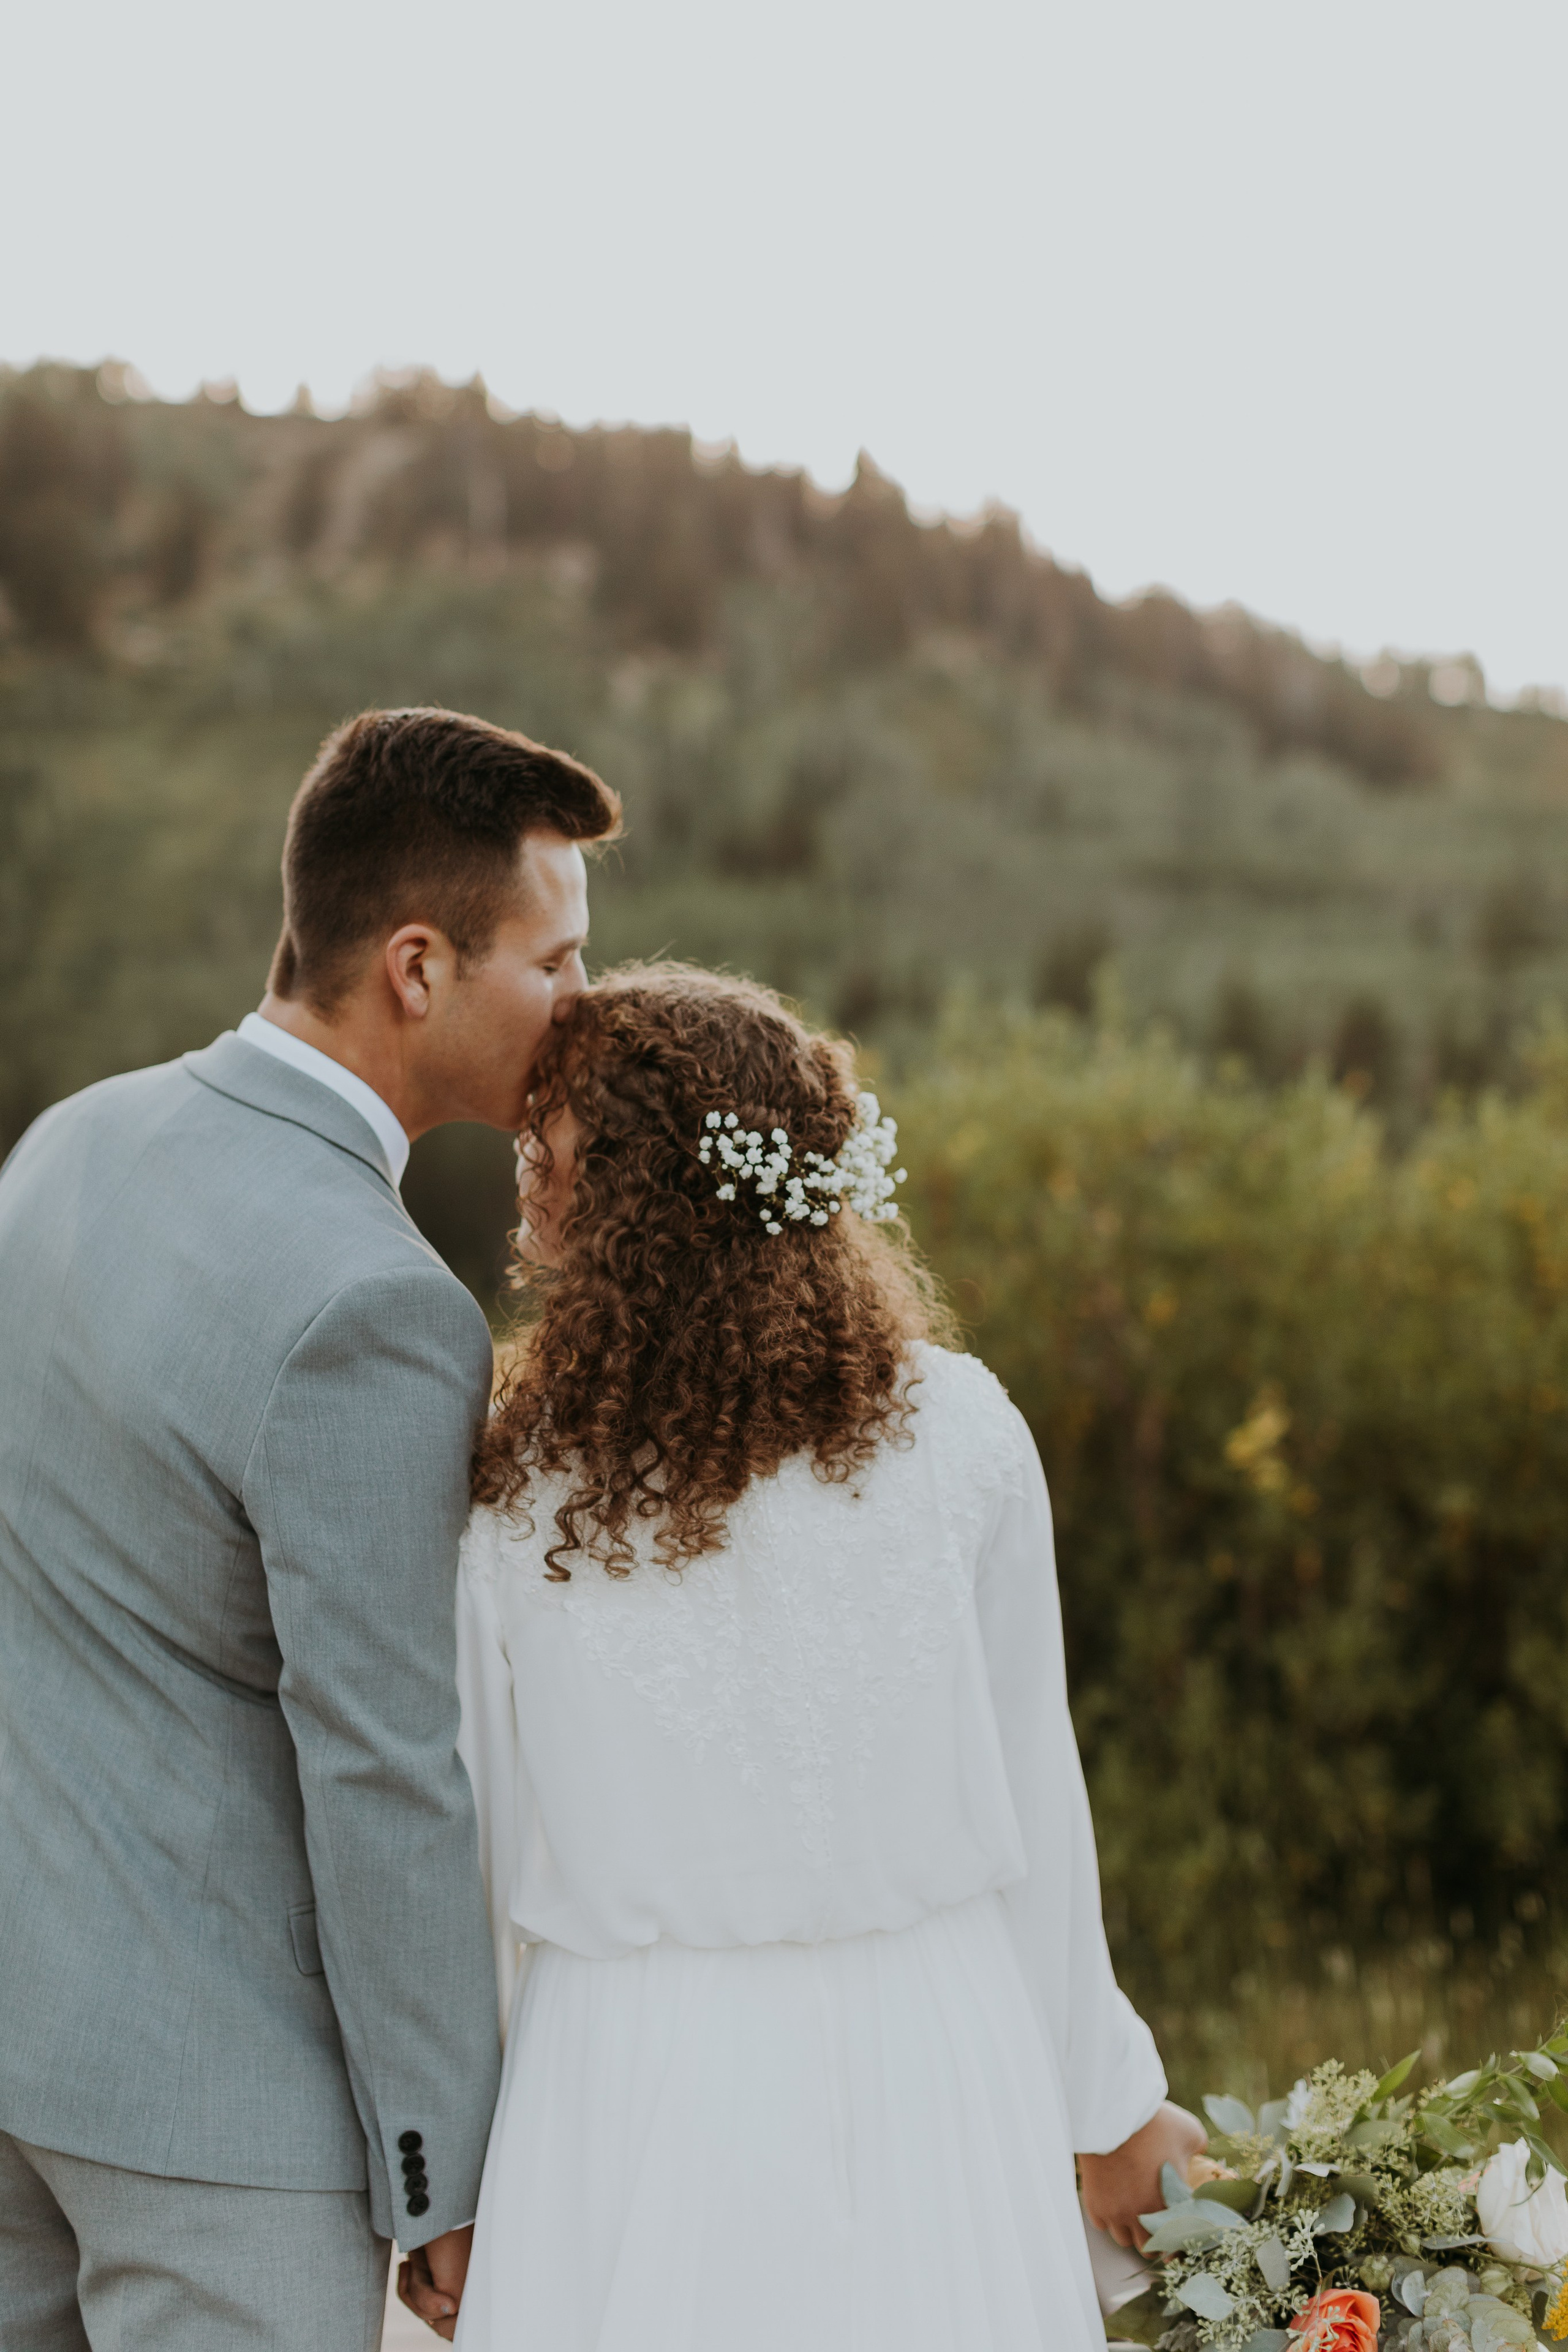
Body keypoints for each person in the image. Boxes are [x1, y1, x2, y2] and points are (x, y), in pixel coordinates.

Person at [448, 962, 1202, 2352]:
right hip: (931, 2039)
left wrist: (459, 2169)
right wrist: (1105, 2106)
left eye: (546, 1140)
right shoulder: (961, 1431)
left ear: (630, 1191)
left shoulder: (523, 1479)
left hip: (626, 2076)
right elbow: (1037, 1808)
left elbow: (479, 1845)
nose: (524, 1171)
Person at [0, 706, 620, 2351]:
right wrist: (448, 2170)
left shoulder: (66, 1146)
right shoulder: (378, 1307)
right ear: (417, 968)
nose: (584, 1010)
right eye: (554, 965)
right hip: (217, 2121)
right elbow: (381, 1763)